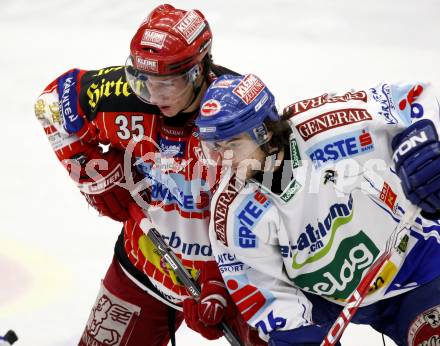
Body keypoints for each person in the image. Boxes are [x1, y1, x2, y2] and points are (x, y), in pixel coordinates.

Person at [34, 5, 264, 346]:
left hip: (236, 278)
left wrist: (218, 276)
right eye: (144, 81)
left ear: (198, 70)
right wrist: (89, 172)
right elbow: (51, 102)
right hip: (144, 264)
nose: (154, 95)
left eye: (168, 83)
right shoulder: (121, 95)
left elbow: (268, 205)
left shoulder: (236, 116)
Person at [195, 73, 440, 345]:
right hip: (326, 302)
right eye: (214, 147)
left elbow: (413, 99)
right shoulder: (232, 212)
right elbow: (267, 290)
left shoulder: (328, 126)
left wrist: (421, 149)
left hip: (413, 262)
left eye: (232, 145)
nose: (222, 159)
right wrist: (295, 335)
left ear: (262, 132)